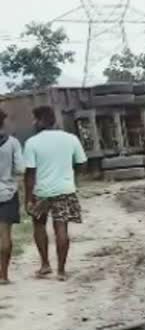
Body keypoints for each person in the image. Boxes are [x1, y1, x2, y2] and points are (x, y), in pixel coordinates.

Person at [24, 106, 88, 281]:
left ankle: (45, 265)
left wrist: (28, 198)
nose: (33, 123)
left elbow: (30, 173)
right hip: (65, 190)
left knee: (39, 226)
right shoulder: (71, 139)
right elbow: (82, 163)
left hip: (41, 192)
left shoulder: (32, 142)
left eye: (34, 119)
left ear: (39, 121)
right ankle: (61, 271)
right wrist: (71, 176)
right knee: (61, 228)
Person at [0, 109, 25, 285]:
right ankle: (3, 275)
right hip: (7, 193)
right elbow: (20, 169)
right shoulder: (13, 142)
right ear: (3, 122)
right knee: (5, 235)